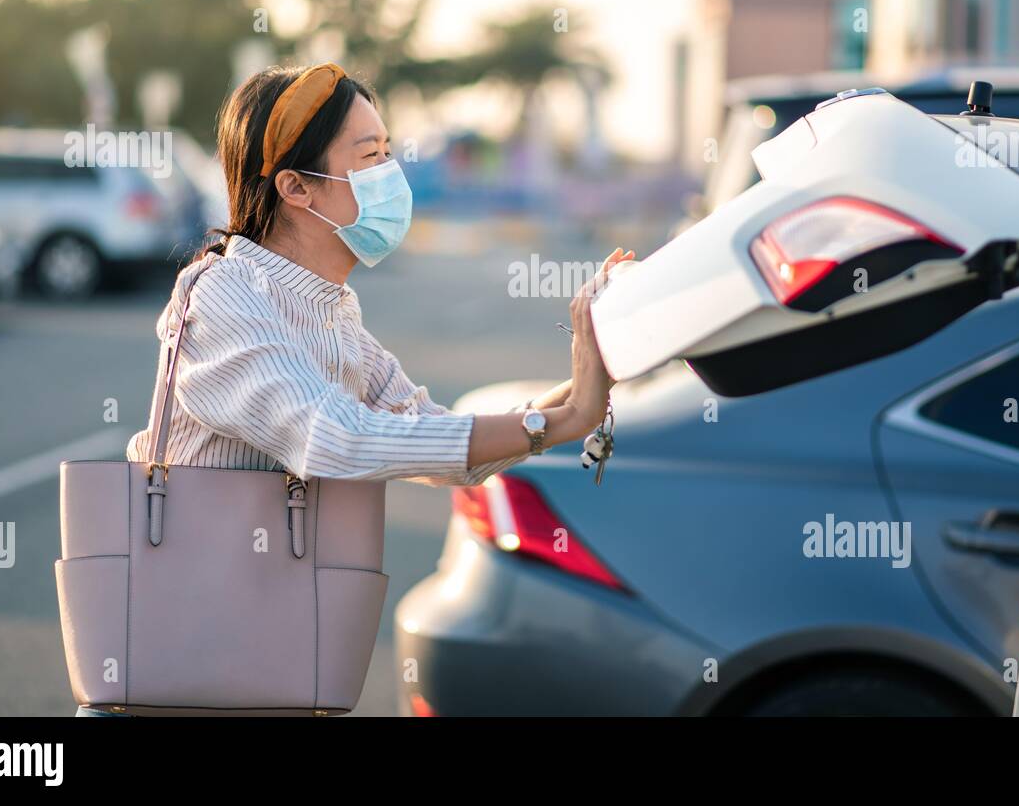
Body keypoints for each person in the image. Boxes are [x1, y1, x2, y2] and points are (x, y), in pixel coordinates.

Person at [73, 63, 632, 717]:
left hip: (264, 674)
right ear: (296, 187)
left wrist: (579, 388)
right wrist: (558, 422)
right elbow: (334, 437)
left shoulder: (333, 309)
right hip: (178, 689)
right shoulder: (223, 293)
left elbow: (430, 432)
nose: (389, 177)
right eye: (369, 158)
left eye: (388, 155)